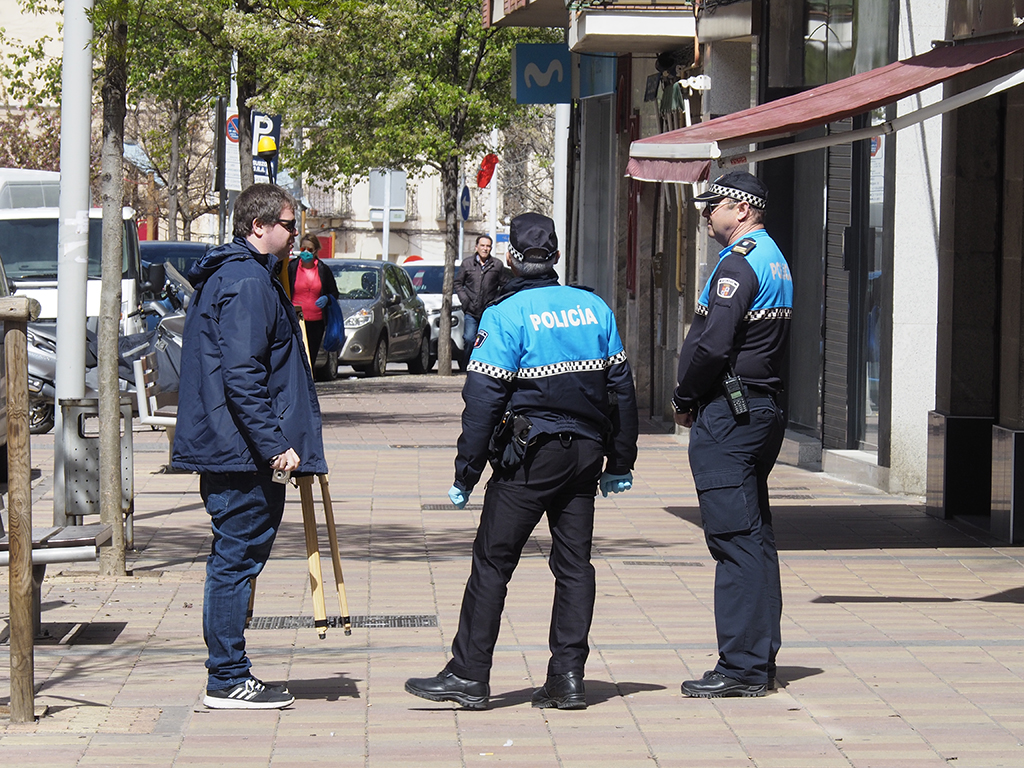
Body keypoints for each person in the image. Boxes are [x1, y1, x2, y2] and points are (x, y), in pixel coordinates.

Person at [405, 212, 639, 711]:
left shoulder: (505, 313)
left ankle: (469, 674)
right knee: (575, 566)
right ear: (555, 255)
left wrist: (466, 473)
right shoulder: (593, 307)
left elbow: (484, 402)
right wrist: (620, 461)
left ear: (512, 255)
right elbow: (621, 389)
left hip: (530, 458)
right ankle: (567, 678)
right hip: (584, 456)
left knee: (493, 562)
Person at [173, 184, 328, 710]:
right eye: (288, 225)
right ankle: (227, 678)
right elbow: (243, 376)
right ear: (258, 226)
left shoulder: (240, 275)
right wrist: (274, 445)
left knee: (234, 557)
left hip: (233, 446)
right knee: (235, 559)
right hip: (240, 451)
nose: (295, 236)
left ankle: (230, 673)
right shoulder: (246, 281)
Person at [671, 171, 792, 698]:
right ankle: (758, 659)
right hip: (760, 412)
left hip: (731, 414)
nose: (706, 212)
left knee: (733, 542)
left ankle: (741, 666)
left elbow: (713, 345)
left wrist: (684, 396)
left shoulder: (739, 262)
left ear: (742, 208)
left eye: (713, 204)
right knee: (755, 538)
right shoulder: (773, 257)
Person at [453, 234, 509, 366]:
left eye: (488, 246)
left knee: (487, 340)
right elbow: (458, 283)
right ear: (476, 247)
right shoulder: (467, 263)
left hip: (488, 310)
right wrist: (465, 300)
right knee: (469, 339)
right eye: (482, 245)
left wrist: (496, 301)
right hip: (471, 310)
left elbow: (504, 284)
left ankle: (483, 367)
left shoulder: (497, 265)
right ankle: (467, 366)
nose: (485, 248)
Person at [288, 233, 340, 370]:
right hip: (295, 319)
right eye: (303, 248)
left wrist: (327, 298)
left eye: (310, 250)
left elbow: (334, 292)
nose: (306, 252)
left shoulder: (323, 270)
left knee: (310, 356)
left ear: (316, 251)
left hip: (316, 322)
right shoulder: (292, 268)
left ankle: (309, 382)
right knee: (296, 353)